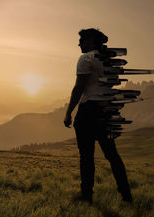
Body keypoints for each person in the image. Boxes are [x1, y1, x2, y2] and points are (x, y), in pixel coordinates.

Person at [64, 28, 132, 203]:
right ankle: (126, 196)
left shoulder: (85, 59)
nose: (79, 43)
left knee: (86, 156)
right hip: (106, 110)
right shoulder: (109, 61)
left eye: (82, 40)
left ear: (91, 42)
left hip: (89, 110)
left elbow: (78, 88)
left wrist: (68, 112)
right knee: (112, 154)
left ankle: (86, 195)